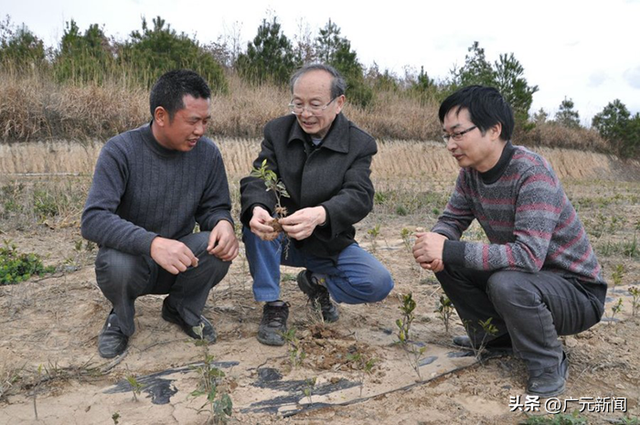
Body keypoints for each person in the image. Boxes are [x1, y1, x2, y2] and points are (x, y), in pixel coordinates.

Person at [412, 85, 606, 397]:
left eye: (458, 133)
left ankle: (548, 362)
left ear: (494, 129)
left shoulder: (532, 173)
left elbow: (529, 256)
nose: (450, 144)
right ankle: (497, 338)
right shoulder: (471, 173)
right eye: (446, 135)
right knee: (450, 259)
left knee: (506, 282)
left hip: (577, 293)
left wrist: (449, 248)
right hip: (531, 280)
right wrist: (437, 242)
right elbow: (452, 220)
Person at [81, 69, 239, 359]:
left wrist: (223, 224)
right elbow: (93, 219)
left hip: (179, 261)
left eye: (205, 121)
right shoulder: (120, 151)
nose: (201, 131)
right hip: (133, 261)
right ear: (161, 115)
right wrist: (152, 243)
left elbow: (214, 207)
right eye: (193, 121)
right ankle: (121, 319)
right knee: (116, 262)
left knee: (215, 247)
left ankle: (181, 308)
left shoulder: (207, 154)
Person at [240, 63, 394, 346]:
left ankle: (316, 282)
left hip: (326, 240)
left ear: (339, 103)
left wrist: (322, 214)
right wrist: (257, 208)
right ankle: (273, 304)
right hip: (281, 237)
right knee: (257, 226)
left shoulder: (359, 143)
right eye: (298, 104)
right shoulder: (277, 131)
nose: (305, 114)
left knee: (377, 282)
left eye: (315, 104)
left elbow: (359, 194)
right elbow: (259, 177)